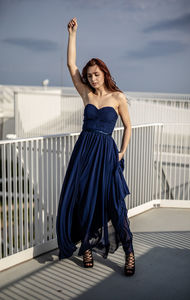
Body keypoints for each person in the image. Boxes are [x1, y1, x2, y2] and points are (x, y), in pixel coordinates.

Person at [56, 17, 135, 276]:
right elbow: (70, 64)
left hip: (106, 154)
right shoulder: (86, 94)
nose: (92, 78)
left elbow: (128, 126)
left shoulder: (118, 97)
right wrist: (72, 34)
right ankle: (86, 247)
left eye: (96, 74)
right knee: (82, 199)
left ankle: (129, 251)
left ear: (104, 74)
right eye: (89, 75)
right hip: (84, 153)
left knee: (114, 204)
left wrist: (121, 152)